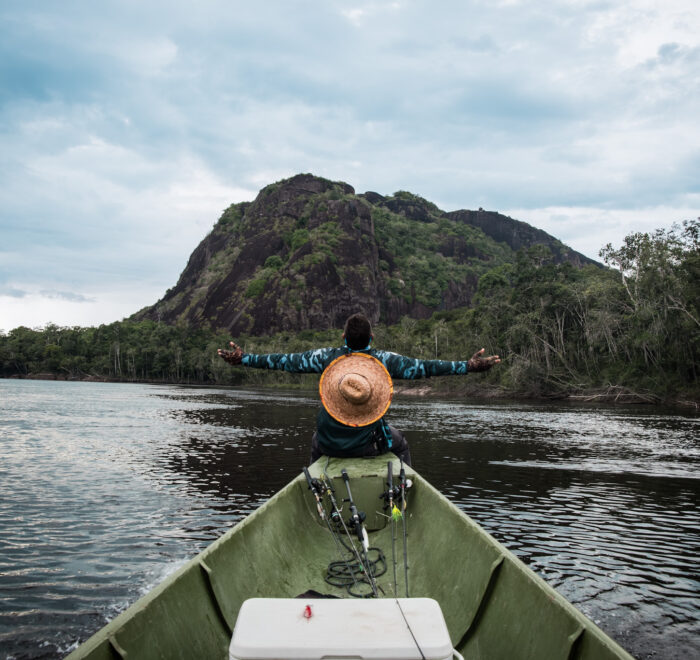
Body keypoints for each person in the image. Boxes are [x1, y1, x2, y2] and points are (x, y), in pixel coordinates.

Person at [218, 313, 500, 465]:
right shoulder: (384, 361)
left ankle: (317, 490)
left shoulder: (326, 358)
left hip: (328, 444)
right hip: (367, 446)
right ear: (372, 337)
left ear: (343, 337)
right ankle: (403, 496)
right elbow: (426, 366)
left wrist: (244, 359)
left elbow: (282, 361)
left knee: (316, 438)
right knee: (400, 444)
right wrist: (468, 366)